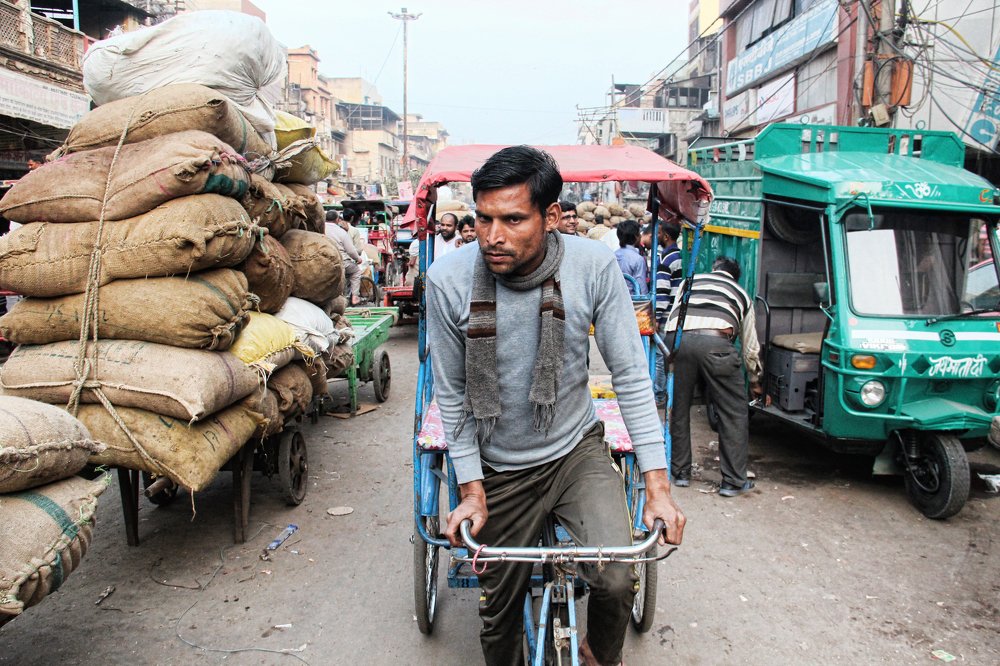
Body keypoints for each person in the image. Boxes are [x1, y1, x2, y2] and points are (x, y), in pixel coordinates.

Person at [427, 146, 685, 666]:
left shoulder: (593, 266)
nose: (492, 236)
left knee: (618, 579)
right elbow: (451, 395)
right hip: (497, 464)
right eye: (484, 218)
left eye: (512, 219)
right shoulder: (447, 280)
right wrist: (472, 491)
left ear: (550, 217)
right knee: (498, 620)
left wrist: (658, 487)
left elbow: (631, 376)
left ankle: (599, 653)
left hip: (574, 452)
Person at [663, 256, 761, 496]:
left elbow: (673, 316)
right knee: (733, 412)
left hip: (676, 342)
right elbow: (750, 348)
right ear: (734, 277)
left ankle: (680, 472)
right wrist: (755, 380)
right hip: (716, 344)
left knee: (679, 408)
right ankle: (733, 481)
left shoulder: (690, 281)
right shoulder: (741, 293)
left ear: (715, 270)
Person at [652, 219, 683, 405]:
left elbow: (662, 291)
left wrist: (656, 316)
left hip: (666, 316)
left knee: (660, 357)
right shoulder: (678, 256)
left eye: (658, 233)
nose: (656, 237)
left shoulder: (666, 258)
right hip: (675, 314)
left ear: (666, 236)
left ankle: (659, 395)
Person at [324, 210, 364, 305]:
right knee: (356, 271)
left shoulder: (320, 229)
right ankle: (355, 297)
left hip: (323, 261)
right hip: (341, 262)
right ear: (337, 220)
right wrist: (358, 259)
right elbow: (351, 251)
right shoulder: (341, 232)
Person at [613, 219, 647, 296]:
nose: (641, 236)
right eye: (639, 233)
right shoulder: (638, 259)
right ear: (636, 236)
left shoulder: (613, 255)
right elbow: (641, 289)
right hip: (631, 301)